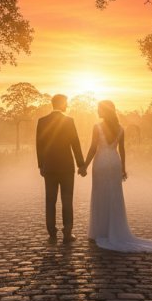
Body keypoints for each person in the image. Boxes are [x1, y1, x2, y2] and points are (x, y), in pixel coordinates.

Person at [83, 100, 152, 253]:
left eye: (99, 108)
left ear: (105, 111)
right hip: (114, 162)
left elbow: (93, 148)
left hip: (100, 162)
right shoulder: (120, 128)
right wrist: (123, 169)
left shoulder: (97, 127)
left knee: (100, 195)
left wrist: (84, 166)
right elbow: (122, 149)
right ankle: (115, 230)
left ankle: (99, 232)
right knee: (115, 196)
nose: (97, 110)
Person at [35, 94, 85, 243]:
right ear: (62, 104)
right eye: (66, 103)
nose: (67, 105)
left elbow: (39, 145)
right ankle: (67, 233)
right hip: (66, 167)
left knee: (50, 201)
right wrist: (81, 164)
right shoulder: (69, 121)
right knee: (67, 200)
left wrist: (41, 165)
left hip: (49, 167)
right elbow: (75, 143)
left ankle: (51, 233)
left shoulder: (42, 121)